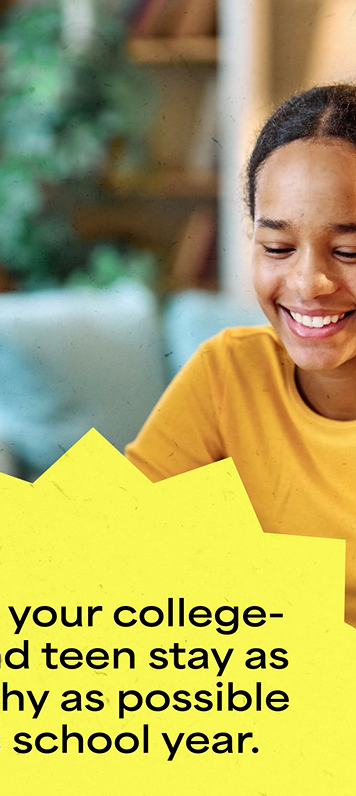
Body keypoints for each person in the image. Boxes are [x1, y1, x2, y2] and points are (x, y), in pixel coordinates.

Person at [126, 84, 356, 627]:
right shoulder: (229, 373)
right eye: (277, 248)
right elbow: (123, 540)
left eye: (349, 251)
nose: (308, 283)